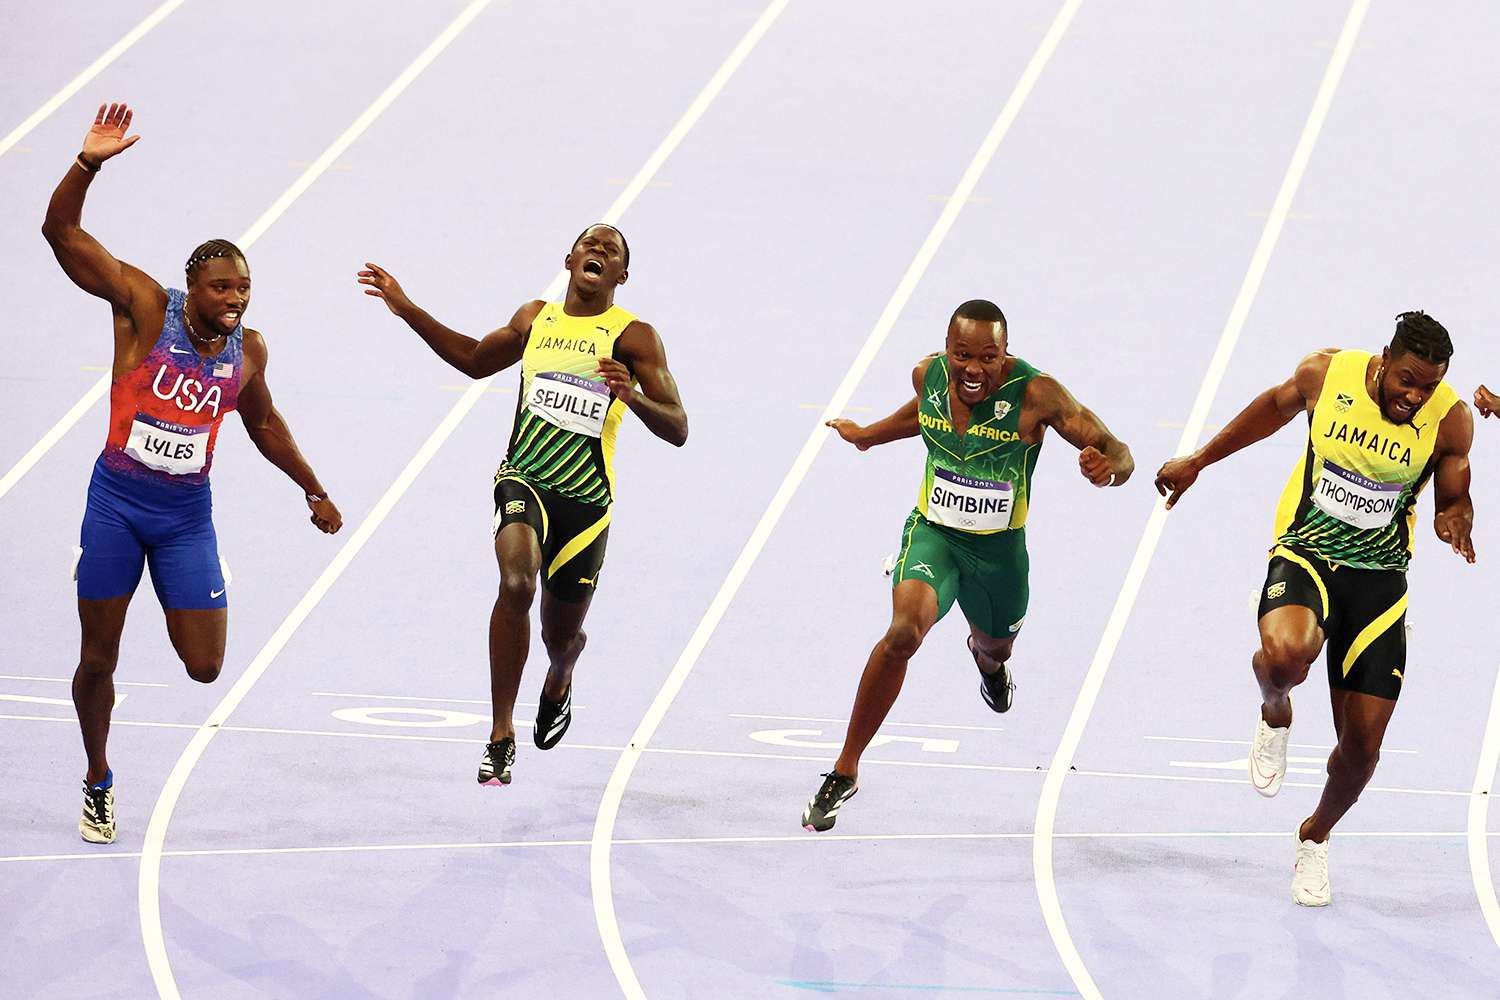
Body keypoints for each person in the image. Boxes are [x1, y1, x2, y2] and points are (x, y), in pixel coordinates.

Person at [43, 104, 344, 844]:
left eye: (243, 288)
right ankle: (98, 779)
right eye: (221, 288)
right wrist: (87, 165)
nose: (234, 300)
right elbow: (61, 235)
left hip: (185, 516)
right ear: (193, 286)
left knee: (206, 667)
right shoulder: (146, 309)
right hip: (115, 505)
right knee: (97, 657)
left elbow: (263, 422)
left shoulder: (249, 351)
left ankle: (178, 590)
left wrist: (311, 485)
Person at [1154, 311, 1474, 906]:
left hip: (1379, 583)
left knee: (1362, 751)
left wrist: (1454, 520)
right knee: (1285, 656)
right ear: (1384, 359)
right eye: (1407, 380)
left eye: (1427, 386)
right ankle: (1276, 713)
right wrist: (1197, 460)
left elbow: (1454, 496)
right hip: (1308, 553)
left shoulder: (1449, 419)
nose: (1414, 396)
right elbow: (1270, 412)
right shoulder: (1326, 375)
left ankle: (1315, 835)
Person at [358, 224, 687, 786]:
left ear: (622, 276)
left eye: (612, 250)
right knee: (515, 584)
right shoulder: (537, 319)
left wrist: (631, 395)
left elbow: (678, 427)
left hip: (586, 503)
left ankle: (561, 675)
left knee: (559, 637)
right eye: (591, 244)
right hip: (524, 480)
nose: (600, 250)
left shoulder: (634, 338)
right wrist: (406, 307)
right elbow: (473, 359)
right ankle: (501, 733)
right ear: (568, 259)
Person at [801, 299, 1133, 831]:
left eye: (988, 357)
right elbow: (922, 415)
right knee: (903, 632)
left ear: (1006, 355)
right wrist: (867, 435)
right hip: (934, 535)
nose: (973, 369)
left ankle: (989, 663)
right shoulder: (925, 375)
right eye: (962, 355)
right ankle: (845, 767)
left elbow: (1117, 451)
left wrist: (1107, 471)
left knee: (996, 642)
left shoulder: (1036, 396)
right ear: (947, 349)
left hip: (999, 555)